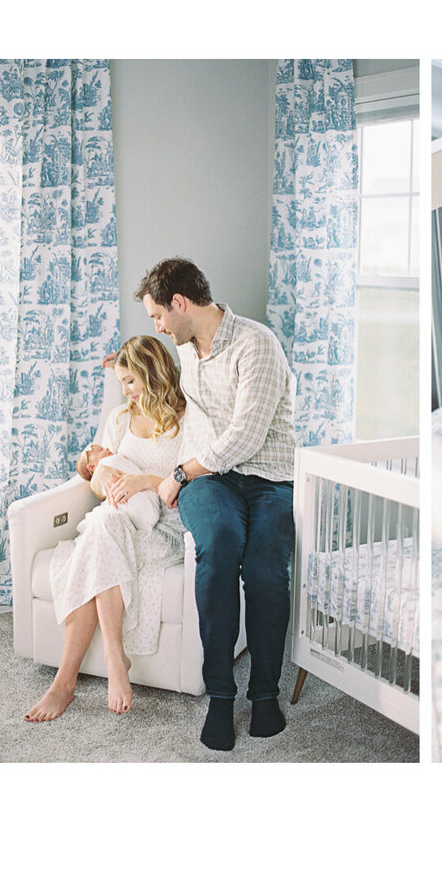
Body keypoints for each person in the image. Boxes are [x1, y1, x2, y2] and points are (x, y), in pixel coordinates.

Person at [139, 258, 297, 753]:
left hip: (269, 476)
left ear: (180, 304)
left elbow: (246, 436)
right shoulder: (188, 350)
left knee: (268, 569)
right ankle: (222, 697)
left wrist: (180, 472)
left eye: (158, 316)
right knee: (220, 549)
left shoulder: (257, 345)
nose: (158, 327)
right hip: (214, 480)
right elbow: (203, 424)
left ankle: (266, 693)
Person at [28, 336, 198, 722]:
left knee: (98, 540)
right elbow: (93, 480)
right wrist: (102, 477)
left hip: (161, 529)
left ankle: (65, 683)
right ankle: (112, 661)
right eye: (121, 382)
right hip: (116, 519)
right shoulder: (119, 419)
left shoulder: (185, 419)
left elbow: (190, 482)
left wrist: (143, 483)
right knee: (105, 527)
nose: (125, 391)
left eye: (131, 381)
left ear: (153, 374)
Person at [77, 443, 163, 530]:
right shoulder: (105, 464)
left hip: (148, 508)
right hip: (149, 511)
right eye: (100, 450)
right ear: (91, 467)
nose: (106, 448)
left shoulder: (113, 461)